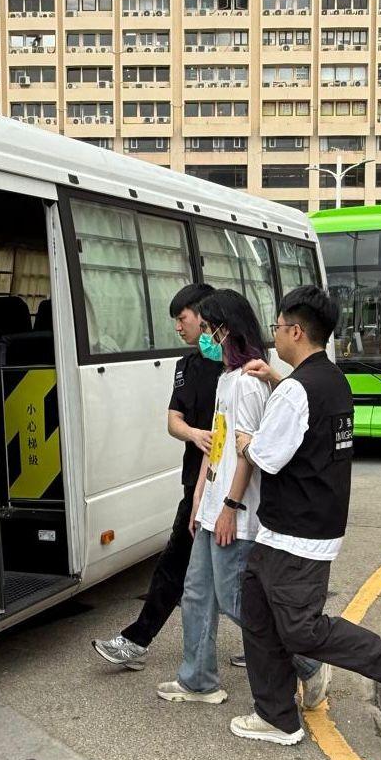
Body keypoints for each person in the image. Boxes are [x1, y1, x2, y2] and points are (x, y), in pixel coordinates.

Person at [229, 286, 381, 746]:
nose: (274, 336)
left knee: (301, 629)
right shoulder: (331, 379)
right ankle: (276, 716)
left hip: (298, 533)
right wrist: (277, 382)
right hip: (287, 529)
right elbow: (305, 416)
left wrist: (244, 441)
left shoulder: (299, 389)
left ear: (295, 330)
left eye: (278, 328)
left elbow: (267, 454)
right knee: (259, 620)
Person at [155, 289, 328, 707]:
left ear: (224, 329)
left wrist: (230, 507)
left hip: (237, 512)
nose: (201, 336)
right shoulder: (226, 378)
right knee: (196, 592)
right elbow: (218, 445)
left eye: (207, 327)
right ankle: (198, 680)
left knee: (237, 602)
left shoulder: (249, 383)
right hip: (213, 507)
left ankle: (308, 662)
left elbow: (249, 453)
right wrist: (200, 497)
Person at [92, 283, 219, 669]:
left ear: (204, 317)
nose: (178, 328)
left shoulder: (238, 368)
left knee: (214, 573)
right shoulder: (185, 368)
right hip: (194, 483)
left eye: (182, 319)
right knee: (189, 569)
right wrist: (193, 433)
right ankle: (138, 642)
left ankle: (290, 652)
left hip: (227, 487)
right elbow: (172, 420)